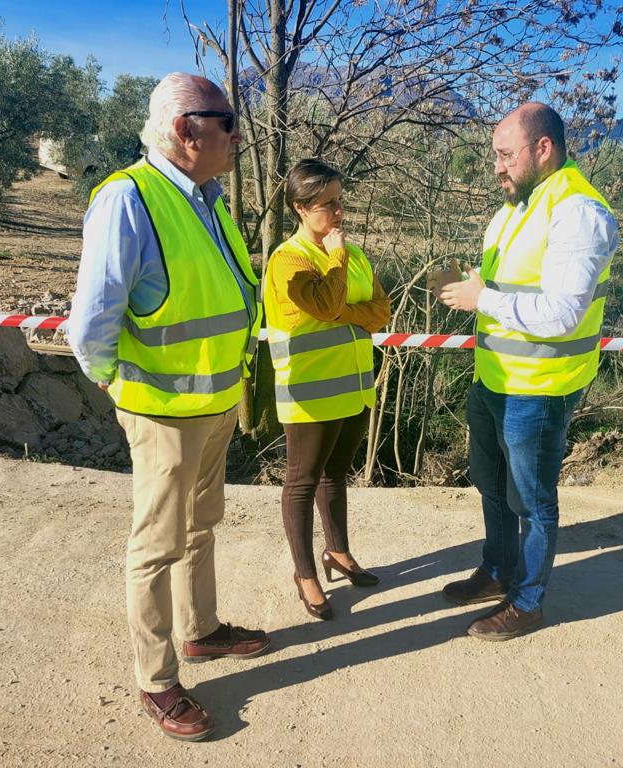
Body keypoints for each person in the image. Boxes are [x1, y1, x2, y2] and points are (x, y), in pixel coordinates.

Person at [68, 73, 270, 742]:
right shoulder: (129, 198)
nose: (237, 135)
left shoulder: (206, 199)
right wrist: (110, 379)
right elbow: (91, 320)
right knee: (155, 545)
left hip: (214, 403)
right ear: (187, 130)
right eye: (227, 122)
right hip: (162, 410)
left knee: (200, 524)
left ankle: (200, 630)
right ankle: (156, 680)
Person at [436, 102, 619, 641]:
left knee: (533, 502)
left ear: (543, 148)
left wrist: (484, 299)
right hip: (494, 379)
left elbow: (563, 314)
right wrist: (474, 284)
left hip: (539, 388)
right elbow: (511, 284)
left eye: (506, 154)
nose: (497, 166)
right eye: (495, 155)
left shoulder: (578, 212)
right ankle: (498, 570)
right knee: (491, 484)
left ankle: (528, 602)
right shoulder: (518, 206)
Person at [263, 158, 391, 620]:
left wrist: (344, 312)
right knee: (301, 483)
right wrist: (336, 264)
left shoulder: (353, 255)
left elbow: (381, 311)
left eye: (340, 201)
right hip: (309, 392)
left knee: (336, 475)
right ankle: (305, 575)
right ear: (300, 208)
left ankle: (338, 552)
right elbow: (322, 303)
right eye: (327, 204)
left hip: (354, 388)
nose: (339, 212)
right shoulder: (288, 260)